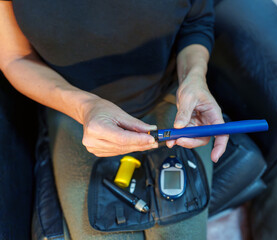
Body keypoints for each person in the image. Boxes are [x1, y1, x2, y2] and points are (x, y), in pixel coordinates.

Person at [0, 0, 228, 239]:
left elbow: (196, 22)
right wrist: (84, 108)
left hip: (170, 98)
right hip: (71, 108)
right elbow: (15, 56)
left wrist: (193, 78)